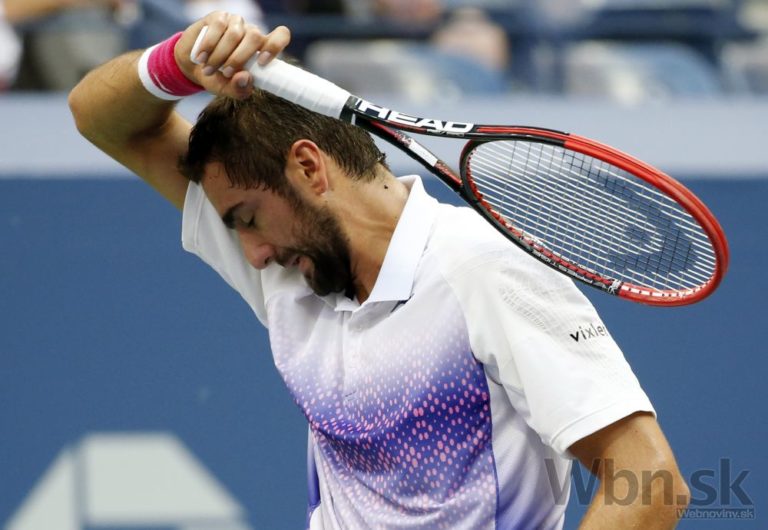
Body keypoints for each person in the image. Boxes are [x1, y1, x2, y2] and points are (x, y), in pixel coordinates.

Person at [69, 11, 690, 529]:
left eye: (249, 219)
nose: (252, 253)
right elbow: (99, 118)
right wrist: (181, 58)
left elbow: (650, 480)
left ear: (308, 168)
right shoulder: (288, 271)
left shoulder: (482, 266)